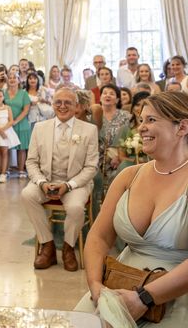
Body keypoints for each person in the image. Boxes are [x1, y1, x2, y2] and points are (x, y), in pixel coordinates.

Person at [75, 92, 188, 325]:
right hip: (120, 286)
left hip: (178, 292)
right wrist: (97, 288)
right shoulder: (129, 176)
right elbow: (98, 237)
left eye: (151, 120)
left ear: (182, 127)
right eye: (141, 120)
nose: (141, 128)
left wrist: (145, 298)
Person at [21, 88, 98, 272]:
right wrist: (41, 182)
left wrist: (68, 185)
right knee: (27, 195)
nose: (62, 106)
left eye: (67, 103)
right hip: (46, 180)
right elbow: (31, 162)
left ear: (76, 106)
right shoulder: (40, 128)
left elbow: (91, 166)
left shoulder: (89, 130)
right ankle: (47, 245)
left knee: (75, 208)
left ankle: (68, 247)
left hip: (75, 183)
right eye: (58, 102)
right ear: (52, 104)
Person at [5, 71, 32, 178]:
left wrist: (15, 121)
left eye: (14, 78)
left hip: (21, 123)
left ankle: (21, 170)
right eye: (10, 77)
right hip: (7, 124)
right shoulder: (3, 92)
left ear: (19, 80)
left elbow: (26, 110)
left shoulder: (24, 93)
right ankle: (5, 169)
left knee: (21, 148)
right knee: (6, 147)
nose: (12, 79)